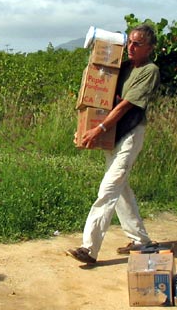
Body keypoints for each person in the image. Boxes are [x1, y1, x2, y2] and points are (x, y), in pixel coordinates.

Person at [66, 23, 161, 265]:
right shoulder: (125, 67)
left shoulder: (149, 71)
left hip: (130, 134)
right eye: (129, 41)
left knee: (109, 189)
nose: (131, 47)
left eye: (137, 43)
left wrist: (98, 129)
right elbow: (100, 93)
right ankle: (141, 241)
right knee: (121, 190)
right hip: (114, 134)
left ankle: (89, 247)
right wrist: (85, 128)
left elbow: (123, 106)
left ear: (149, 48)